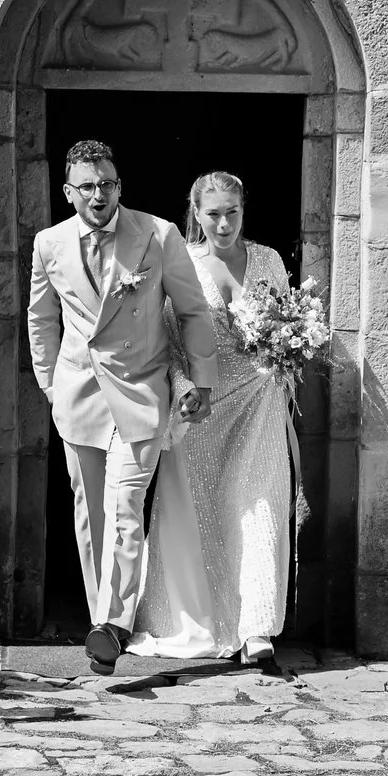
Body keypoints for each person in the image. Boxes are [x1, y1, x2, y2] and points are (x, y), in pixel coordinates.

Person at [27, 140, 219, 677]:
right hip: (79, 397)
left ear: (120, 185)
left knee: (124, 509)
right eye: (87, 185)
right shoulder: (49, 243)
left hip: (141, 392)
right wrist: (49, 383)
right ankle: (100, 625)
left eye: (107, 183)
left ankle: (113, 624)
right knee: (89, 513)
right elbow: (41, 317)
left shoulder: (159, 234)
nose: (98, 194)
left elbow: (192, 310)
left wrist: (201, 378)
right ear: (69, 192)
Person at [129, 171, 295, 670]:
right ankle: (199, 617)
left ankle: (257, 628)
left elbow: (286, 324)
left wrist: (287, 353)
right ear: (196, 214)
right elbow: (165, 338)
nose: (224, 224)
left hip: (260, 399)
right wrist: (183, 389)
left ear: (244, 211)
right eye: (214, 214)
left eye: (233, 213)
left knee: (258, 502)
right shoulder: (183, 262)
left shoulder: (269, 261)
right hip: (202, 405)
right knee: (203, 507)